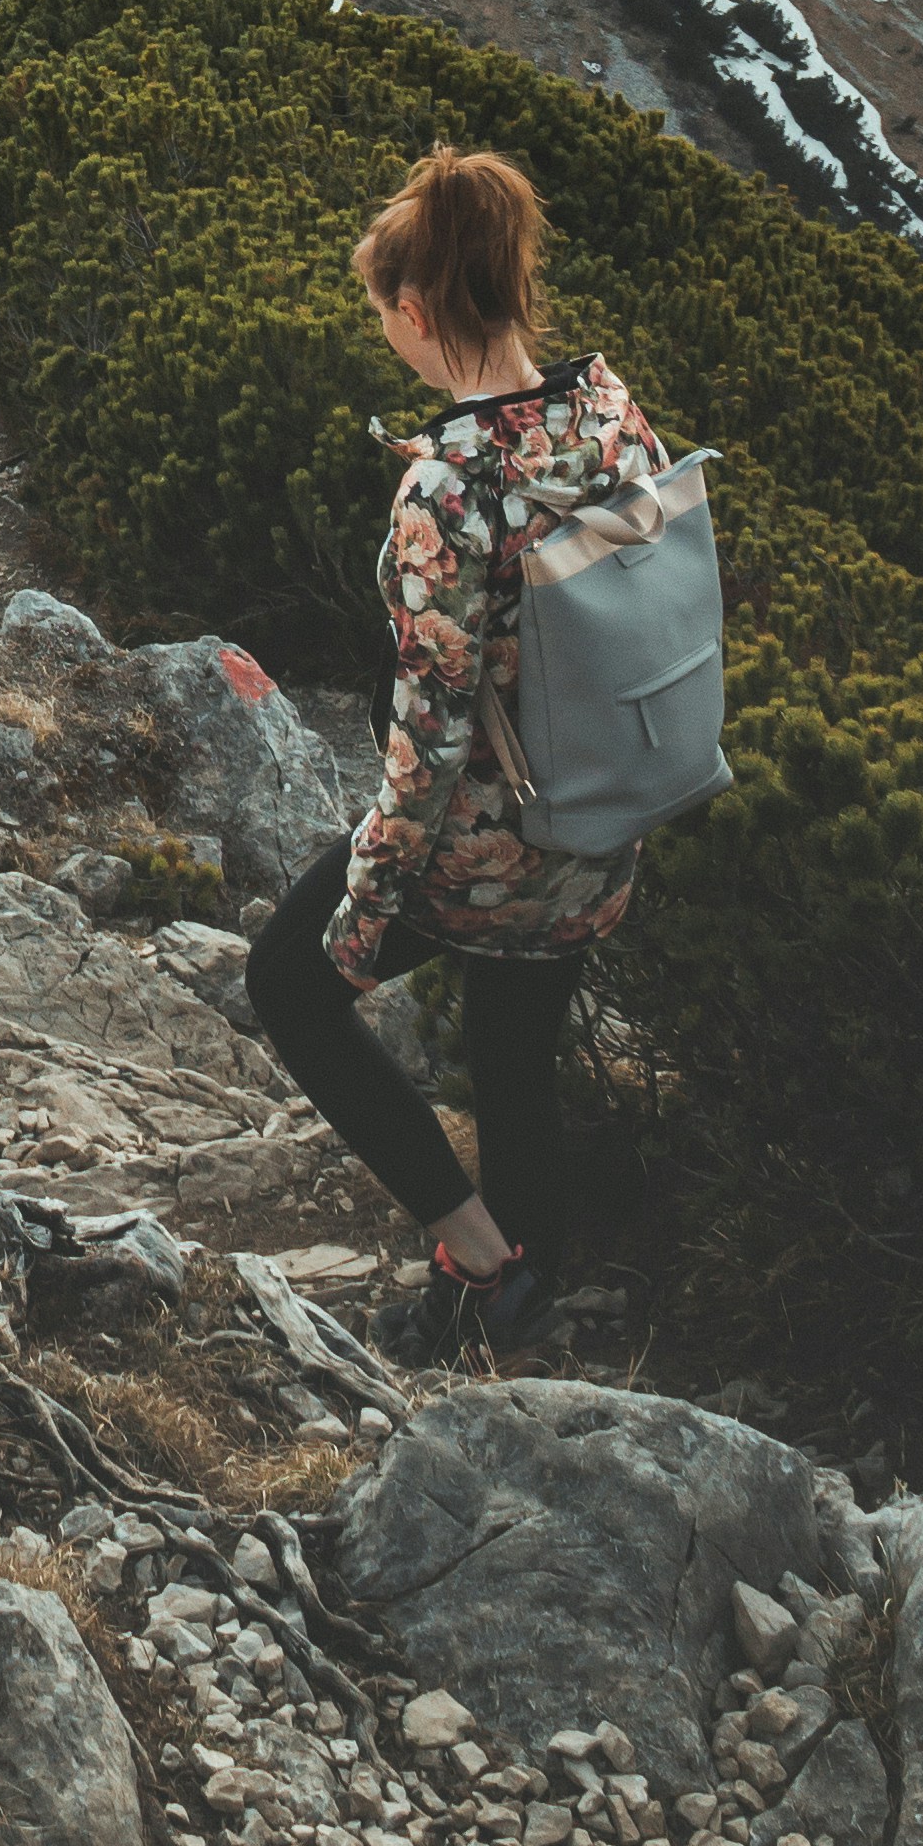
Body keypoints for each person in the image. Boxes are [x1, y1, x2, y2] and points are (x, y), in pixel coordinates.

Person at [240, 141, 670, 1363]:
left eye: (386, 313)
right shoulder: (608, 411)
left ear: (417, 309)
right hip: (598, 819)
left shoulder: (447, 487)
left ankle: (474, 1253)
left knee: (288, 984)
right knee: (512, 1055)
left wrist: (369, 900)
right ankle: (515, 1299)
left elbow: (426, 744)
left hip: (487, 843)